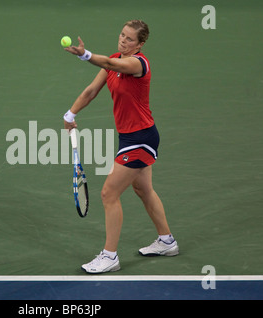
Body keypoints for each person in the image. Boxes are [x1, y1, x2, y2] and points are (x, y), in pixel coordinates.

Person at [63, 20, 179, 274]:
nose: (123, 41)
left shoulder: (138, 64)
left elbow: (111, 64)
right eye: (122, 36)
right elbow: (91, 90)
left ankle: (109, 256)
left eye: (129, 39)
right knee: (144, 189)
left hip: (141, 139)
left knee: (109, 193)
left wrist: (85, 54)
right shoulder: (113, 60)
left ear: (140, 44)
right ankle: (167, 241)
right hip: (129, 137)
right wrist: (70, 114)